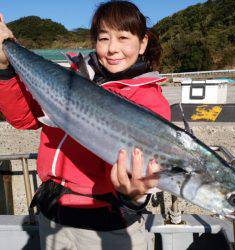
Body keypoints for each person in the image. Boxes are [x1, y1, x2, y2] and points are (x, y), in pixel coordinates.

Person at [0, 1, 171, 249]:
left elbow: (133, 174)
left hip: (106, 230)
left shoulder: (149, 102)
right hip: (52, 218)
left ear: (142, 42)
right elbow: (24, 119)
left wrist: (133, 196)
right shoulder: (72, 78)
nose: (112, 48)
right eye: (103, 38)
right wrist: (4, 66)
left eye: (123, 37)